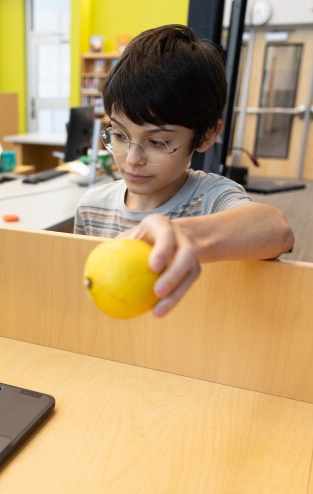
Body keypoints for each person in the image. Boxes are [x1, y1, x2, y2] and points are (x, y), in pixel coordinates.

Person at [74, 24, 294, 318]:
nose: (133, 159)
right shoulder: (91, 208)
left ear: (206, 136)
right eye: (119, 135)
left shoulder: (211, 201)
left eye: (157, 141)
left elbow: (276, 229)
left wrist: (185, 236)